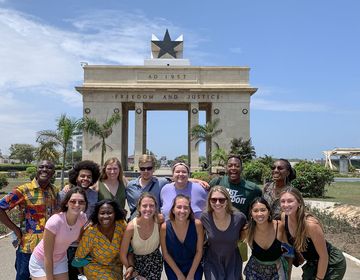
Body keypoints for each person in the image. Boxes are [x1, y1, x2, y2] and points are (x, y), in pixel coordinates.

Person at [0, 160, 58, 280]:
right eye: (41, 166)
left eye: (49, 167)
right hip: (28, 246)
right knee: (23, 277)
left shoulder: (54, 190)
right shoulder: (23, 190)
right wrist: (15, 229)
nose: (45, 169)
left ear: (53, 173)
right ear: (36, 170)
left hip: (48, 246)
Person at [280, 187, 346, 280]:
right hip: (312, 262)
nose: (286, 205)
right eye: (283, 201)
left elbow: (324, 256)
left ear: (299, 203)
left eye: (290, 201)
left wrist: (319, 278)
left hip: (331, 262)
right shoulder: (284, 217)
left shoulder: (310, 225)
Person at [209, 154, 262, 261]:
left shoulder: (253, 189)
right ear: (226, 167)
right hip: (217, 233)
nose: (233, 168)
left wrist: (249, 227)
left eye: (236, 166)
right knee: (218, 264)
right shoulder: (217, 182)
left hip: (239, 236)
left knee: (237, 266)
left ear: (241, 168)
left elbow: (259, 209)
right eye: (230, 165)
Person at [29, 187, 88, 280]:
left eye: (81, 202)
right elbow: (47, 255)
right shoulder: (55, 222)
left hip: (60, 259)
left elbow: (80, 239)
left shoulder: (83, 218)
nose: (77, 204)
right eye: (73, 201)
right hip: (41, 261)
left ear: (85, 204)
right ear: (66, 203)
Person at [127, 155, 209, 221]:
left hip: (154, 226)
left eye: (149, 168)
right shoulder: (130, 186)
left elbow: (178, 179)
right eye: (142, 168)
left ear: (154, 169)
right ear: (139, 169)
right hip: (135, 224)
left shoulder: (161, 183)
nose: (146, 171)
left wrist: (196, 180)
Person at [59, 160, 100, 280]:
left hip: (88, 243)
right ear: (76, 177)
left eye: (89, 177)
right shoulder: (64, 194)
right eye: (82, 176)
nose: (85, 179)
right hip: (68, 245)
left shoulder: (95, 195)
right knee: (70, 275)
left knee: (85, 275)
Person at [200, 186, 247, 280]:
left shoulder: (239, 218)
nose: (217, 203)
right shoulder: (205, 217)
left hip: (233, 262)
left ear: (227, 201)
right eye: (213, 200)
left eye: (221, 200)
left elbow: (245, 236)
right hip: (212, 262)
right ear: (209, 201)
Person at [75, 199, 127, 280]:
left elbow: (129, 246)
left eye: (109, 213)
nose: (106, 216)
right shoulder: (91, 232)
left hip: (115, 266)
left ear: (115, 213)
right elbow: (79, 257)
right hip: (95, 266)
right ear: (97, 215)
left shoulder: (121, 225)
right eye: (102, 213)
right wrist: (83, 274)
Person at [120, 193, 163, 280]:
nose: (148, 209)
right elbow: (123, 254)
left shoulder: (159, 221)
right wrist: (129, 267)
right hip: (136, 262)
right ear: (139, 208)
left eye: (151, 206)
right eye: (144, 206)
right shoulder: (131, 227)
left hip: (155, 261)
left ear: (155, 208)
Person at [160, 194, 204, 280]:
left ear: (190, 210)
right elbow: (165, 254)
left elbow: (199, 251)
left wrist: (191, 275)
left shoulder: (197, 225)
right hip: (173, 267)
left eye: (186, 207)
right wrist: (179, 275)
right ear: (173, 209)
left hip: (194, 265)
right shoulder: (164, 227)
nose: (182, 211)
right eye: (179, 207)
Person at [244, 197, 288, 280]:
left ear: (269, 212)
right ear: (251, 214)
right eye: (255, 211)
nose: (259, 214)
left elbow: (289, 245)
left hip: (277, 270)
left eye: (263, 210)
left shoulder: (279, 226)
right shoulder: (247, 230)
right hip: (254, 271)